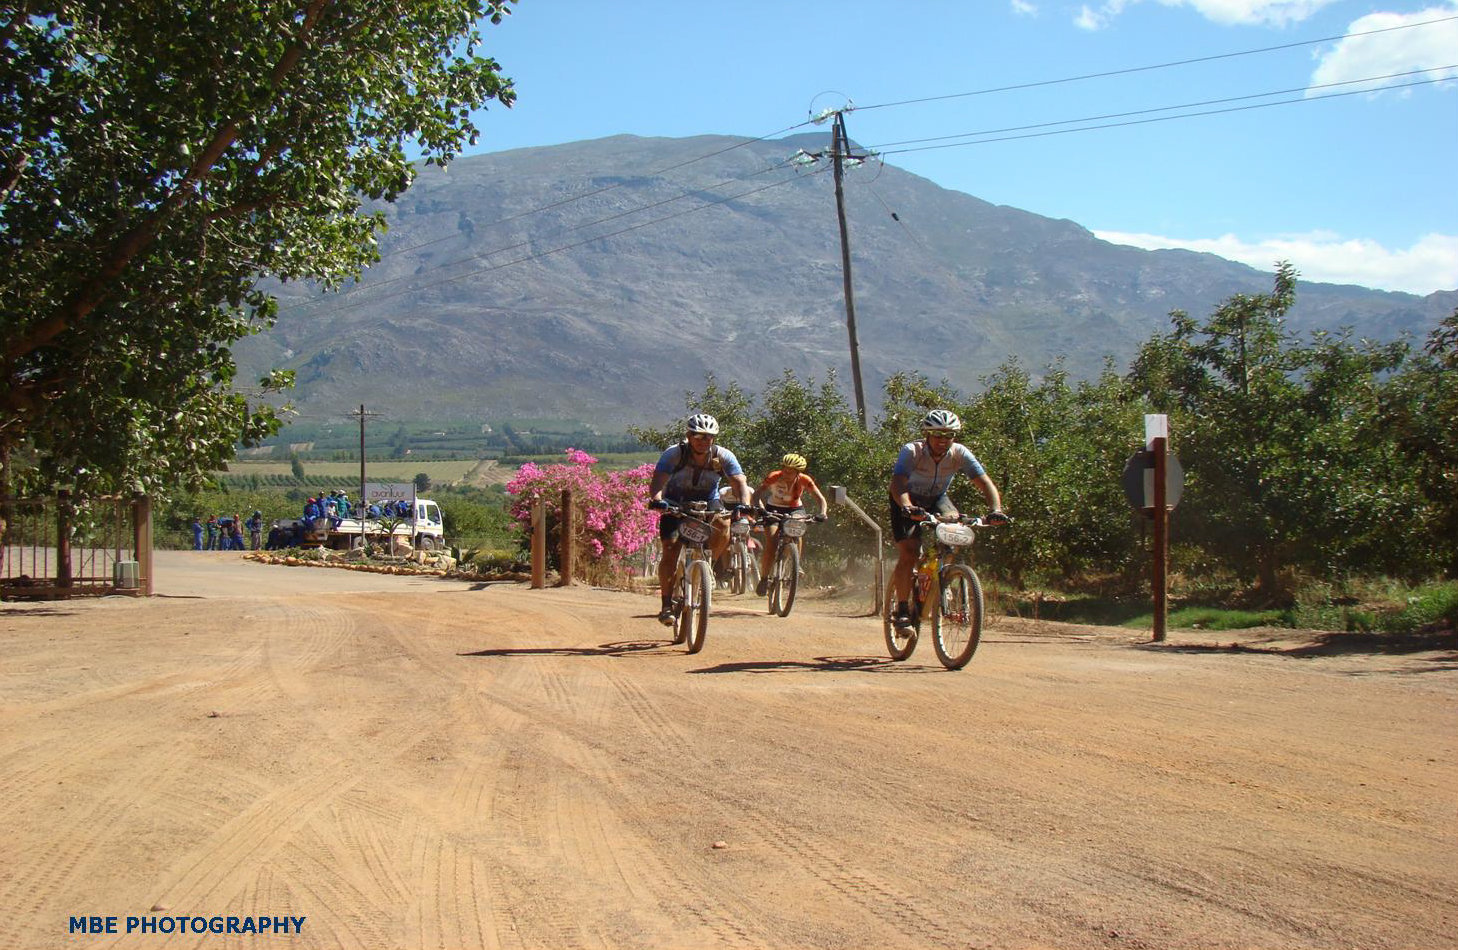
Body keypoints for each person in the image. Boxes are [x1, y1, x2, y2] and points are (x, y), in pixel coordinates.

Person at [887, 409, 1008, 627]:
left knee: (954, 532)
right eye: (937, 434)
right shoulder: (912, 451)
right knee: (910, 551)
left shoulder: (960, 453)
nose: (943, 440)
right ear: (927, 434)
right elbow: (898, 483)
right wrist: (907, 506)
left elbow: (984, 482)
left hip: (937, 498)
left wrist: (996, 509)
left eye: (949, 435)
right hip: (906, 498)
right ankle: (902, 609)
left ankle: (942, 579)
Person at [645, 413, 752, 626]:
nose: (704, 441)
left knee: (724, 524)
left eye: (709, 437)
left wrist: (745, 504)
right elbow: (658, 480)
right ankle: (666, 605)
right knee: (670, 549)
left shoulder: (723, 456)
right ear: (689, 436)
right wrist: (657, 500)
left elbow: (739, 481)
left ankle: (707, 564)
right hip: (675, 501)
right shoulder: (674, 454)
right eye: (699, 436)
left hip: (708, 501)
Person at [750, 453, 829, 596]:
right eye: (785, 469)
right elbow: (756, 494)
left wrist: (823, 513)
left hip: (795, 509)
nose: (786, 473)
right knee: (772, 542)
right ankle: (764, 578)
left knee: (797, 528)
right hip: (773, 508)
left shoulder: (805, 479)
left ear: (798, 472)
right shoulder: (774, 476)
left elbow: (820, 498)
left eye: (790, 471)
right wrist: (759, 509)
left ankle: (796, 564)